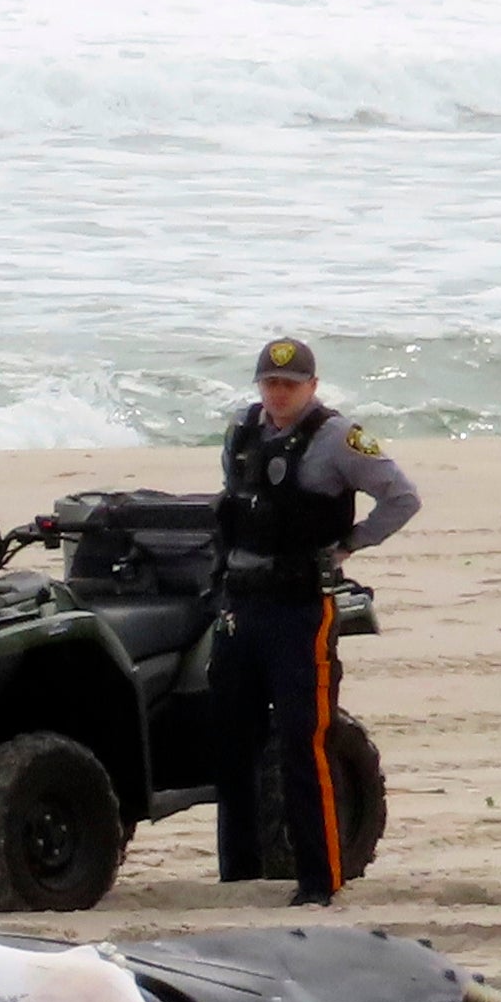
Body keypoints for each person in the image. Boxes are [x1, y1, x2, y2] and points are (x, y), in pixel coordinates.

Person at [211, 336, 419, 904]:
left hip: (298, 610)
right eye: (270, 384)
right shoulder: (243, 430)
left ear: (312, 386)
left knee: (306, 741)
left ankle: (319, 880)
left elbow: (401, 497)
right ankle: (241, 876)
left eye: (290, 384)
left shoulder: (337, 440)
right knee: (234, 744)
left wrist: (350, 543)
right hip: (241, 605)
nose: (278, 394)